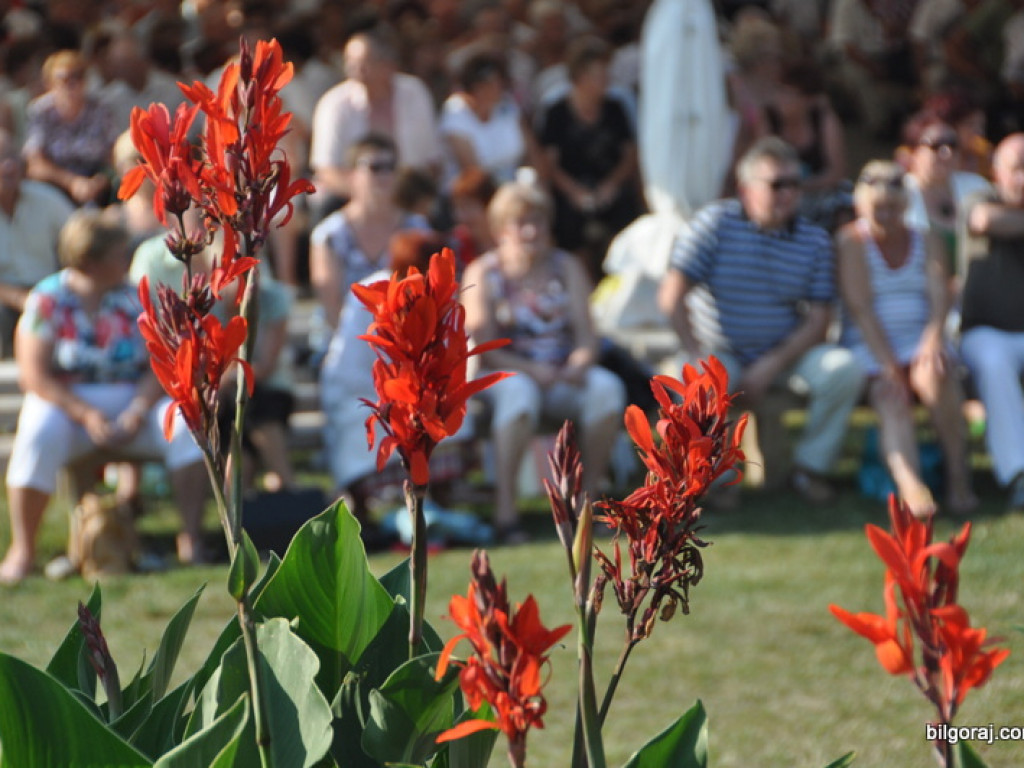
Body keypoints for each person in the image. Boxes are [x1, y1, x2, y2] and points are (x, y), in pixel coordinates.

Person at [0, 210, 209, 584]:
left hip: (134, 397)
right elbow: (34, 375)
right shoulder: (47, 299)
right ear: (89, 261)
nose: (126, 260)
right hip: (67, 403)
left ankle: (191, 538)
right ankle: (24, 549)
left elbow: (161, 363)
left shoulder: (134, 297)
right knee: (36, 431)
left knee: (186, 427)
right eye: (118, 253)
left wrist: (137, 410)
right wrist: (86, 414)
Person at [658, 137, 864, 503]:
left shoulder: (814, 240)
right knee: (701, 381)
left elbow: (819, 320)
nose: (789, 193)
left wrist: (772, 364)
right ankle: (713, 482)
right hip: (719, 352)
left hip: (785, 356)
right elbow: (671, 296)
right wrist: (694, 350)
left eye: (795, 183)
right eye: (777, 184)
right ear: (746, 189)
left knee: (844, 369)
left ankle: (809, 470)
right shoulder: (714, 224)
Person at [462, 181, 626, 541]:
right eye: (520, 222)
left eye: (537, 220)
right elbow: (483, 347)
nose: (531, 231)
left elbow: (587, 335)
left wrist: (580, 362)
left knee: (606, 389)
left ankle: (587, 503)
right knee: (519, 393)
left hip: (561, 371)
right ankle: (506, 511)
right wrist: (533, 370)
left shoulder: (567, 266)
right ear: (500, 229)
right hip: (504, 372)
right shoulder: (483, 273)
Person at [837, 161, 977, 517]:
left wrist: (933, 340)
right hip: (871, 344)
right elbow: (861, 309)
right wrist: (889, 366)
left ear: (905, 206)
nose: (885, 214)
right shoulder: (851, 241)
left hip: (921, 336)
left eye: (892, 207)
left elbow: (940, 296)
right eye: (877, 207)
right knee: (891, 396)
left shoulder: (927, 239)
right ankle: (912, 487)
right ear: (861, 205)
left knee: (936, 375)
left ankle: (959, 476)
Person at [536, 36, 641, 282]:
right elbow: (550, 164)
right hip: (571, 189)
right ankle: (582, 282)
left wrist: (611, 185)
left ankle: (623, 280)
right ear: (580, 76)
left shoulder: (615, 108)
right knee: (567, 221)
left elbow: (629, 155)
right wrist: (575, 192)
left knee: (626, 211)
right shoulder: (556, 112)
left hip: (609, 186)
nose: (606, 80)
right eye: (599, 75)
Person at [959, 132, 1024, 510]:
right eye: (1016, 168)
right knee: (995, 362)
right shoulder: (977, 198)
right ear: (996, 172)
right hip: (985, 332)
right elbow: (984, 221)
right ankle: (1018, 473)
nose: (1023, 178)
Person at [309, 134, 430, 336]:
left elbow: (427, 295)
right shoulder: (329, 235)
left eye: (391, 167)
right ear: (351, 174)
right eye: (375, 167)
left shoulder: (417, 228)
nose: (385, 174)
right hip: (344, 340)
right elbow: (332, 309)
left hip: (405, 339)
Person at [309, 26, 441, 209]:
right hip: (351, 196)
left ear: (389, 64)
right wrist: (369, 196)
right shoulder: (333, 104)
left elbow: (432, 160)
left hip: (409, 193)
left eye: (364, 62)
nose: (354, 69)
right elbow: (326, 169)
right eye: (349, 61)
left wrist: (403, 196)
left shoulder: (415, 92)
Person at [0, 128, 75, 357]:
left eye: (11, 157)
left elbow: (79, 242)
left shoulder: (47, 199)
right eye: (0, 159)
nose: (8, 166)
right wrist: (18, 298)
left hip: (50, 292)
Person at [22, 50, 119, 206]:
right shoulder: (40, 111)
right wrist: (72, 182)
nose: (72, 84)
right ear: (50, 84)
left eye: (78, 76)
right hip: (56, 186)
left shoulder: (101, 108)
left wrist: (98, 182)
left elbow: (113, 153)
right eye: (64, 79)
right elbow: (35, 164)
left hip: (97, 185)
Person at [439, 51, 531, 191]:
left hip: (515, 192)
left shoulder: (508, 106)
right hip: (474, 196)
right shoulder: (454, 114)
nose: (495, 88)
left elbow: (533, 154)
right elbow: (473, 173)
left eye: (497, 82)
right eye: (486, 84)